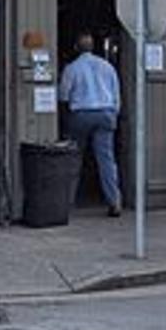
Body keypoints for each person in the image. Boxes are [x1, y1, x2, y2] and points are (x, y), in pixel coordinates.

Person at [58, 33, 122, 217]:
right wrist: (114, 114)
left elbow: (63, 95)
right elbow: (116, 94)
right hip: (106, 113)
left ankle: (67, 201)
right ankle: (114, 201)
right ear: (94, 47)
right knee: (106, 160)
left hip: (82, 114)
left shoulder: (72, 68)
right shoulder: (107, 66)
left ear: (76, 48)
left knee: (74, 157)